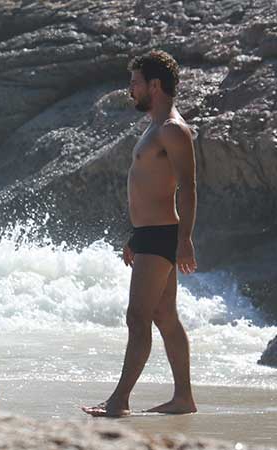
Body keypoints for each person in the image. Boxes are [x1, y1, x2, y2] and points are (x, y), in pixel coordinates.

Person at [82, 50, 198, 417]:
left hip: (163, 235)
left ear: (154, 85)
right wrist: (136, 236)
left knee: (138, 317)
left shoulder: (172, 130)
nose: (129, 90)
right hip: (149, 235)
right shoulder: (153, 126)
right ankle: (183, 398)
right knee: (165, 316)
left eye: (134, 82)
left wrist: (184, 240)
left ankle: (119, 401)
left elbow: (189, 187)